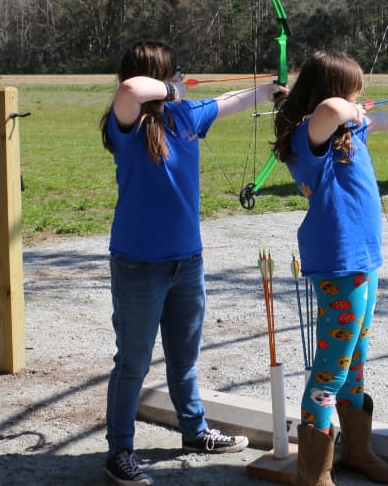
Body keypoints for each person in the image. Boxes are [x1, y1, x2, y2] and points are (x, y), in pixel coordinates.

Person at [99, 39, 286, 486]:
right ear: (160, 74)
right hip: (139, 263)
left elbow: (234, 100)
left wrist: (272, 91)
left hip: (188, 259)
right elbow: (129, 90)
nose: (182, 76)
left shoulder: (185, 117)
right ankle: (119, 451)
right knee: (133, 363)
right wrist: (173, 90)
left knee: (184, 358)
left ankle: (195, 431)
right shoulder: (124, 122)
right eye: (175, 71)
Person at [272, 51, 388, 486]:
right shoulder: (311, 133)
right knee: (332, 366)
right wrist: (353, 106)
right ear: (335, 91)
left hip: (362, 258)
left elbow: (371, 120)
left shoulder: (347, 129)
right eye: (355, 90)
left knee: (355, 358)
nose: (361, 101)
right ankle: (314, 474)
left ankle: (357, 450)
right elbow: (333, 109)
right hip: (339, 261)